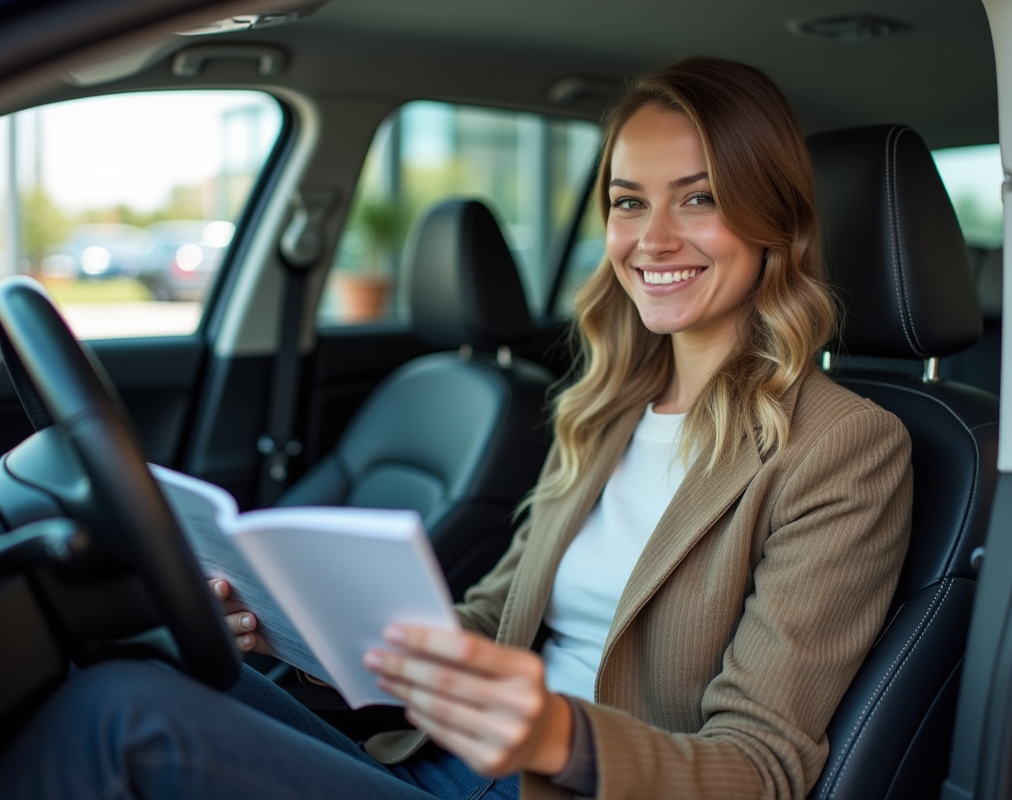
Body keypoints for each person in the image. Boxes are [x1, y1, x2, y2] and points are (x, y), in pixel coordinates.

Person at [0, 56, 911, 800]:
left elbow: (762, 769)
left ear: (773, 221)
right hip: (443, 758)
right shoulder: (602, 407)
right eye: (629, 201)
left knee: (118, 715)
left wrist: (556, 734)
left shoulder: (843, 448)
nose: (653, 238)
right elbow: (492, 622)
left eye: (699, 197)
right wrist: (300, 633)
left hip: (557, 785)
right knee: (138, 664)